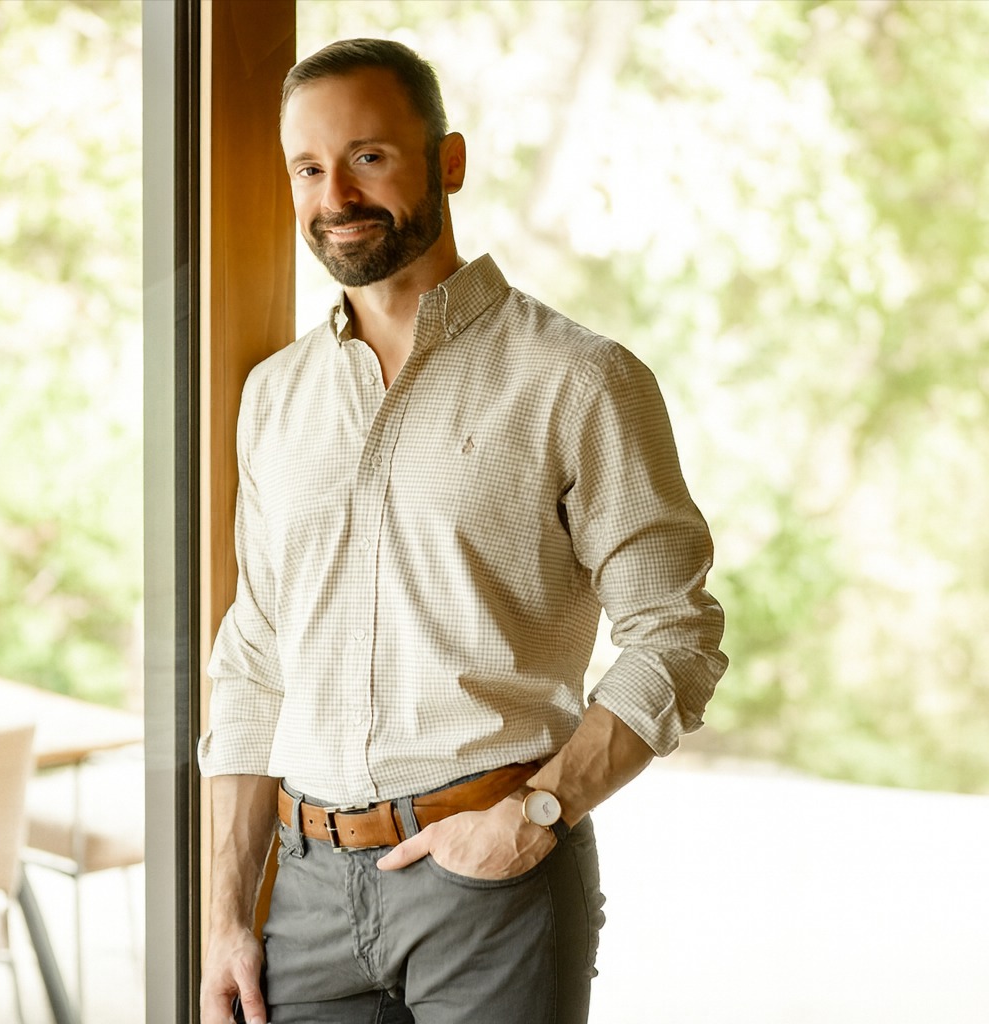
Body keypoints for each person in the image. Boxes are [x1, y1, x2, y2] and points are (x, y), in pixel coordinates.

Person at [199, 37, 727, 1024]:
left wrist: (536, 814)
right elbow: (254, 659)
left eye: (368, 156)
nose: (335, 195)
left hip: (491, 887)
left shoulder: (580, 378)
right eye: (307, 168)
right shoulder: (274, 397)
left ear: (448, 162)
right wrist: (226, 916)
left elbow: (676, 633)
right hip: (303, 897)